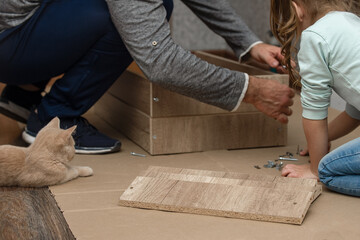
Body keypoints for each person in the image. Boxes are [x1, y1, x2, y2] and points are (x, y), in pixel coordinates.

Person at [0, 0, 294, 154]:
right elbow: (159, 61)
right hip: (7, 43)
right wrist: (251, 90)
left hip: (18, 28)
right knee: (121, 18)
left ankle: (23, 94)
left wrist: (248, 42)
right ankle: (55, 116)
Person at [270, 0, 360, 196]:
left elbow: (315, 111)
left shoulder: (315, 36)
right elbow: (355, 113)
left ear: (296, 9)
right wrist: (322, 139)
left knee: (327, 170)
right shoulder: (354, 23)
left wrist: (314, 168)